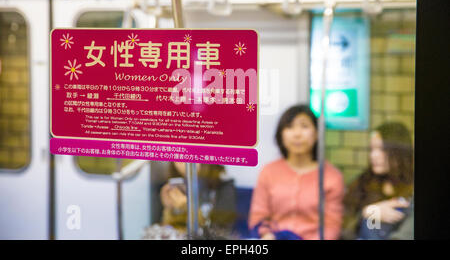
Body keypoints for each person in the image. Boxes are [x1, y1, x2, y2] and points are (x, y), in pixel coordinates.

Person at [248, 104, 345, 240]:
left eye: (304, 126)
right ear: (281, 134)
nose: (297, 134)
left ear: (316, 133)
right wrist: (267, 235)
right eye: (289, 127)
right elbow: (259, 216)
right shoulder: (268, 172)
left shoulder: (331, 176)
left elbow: (331, 225)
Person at [341, 122, 413, 240]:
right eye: (372, 149)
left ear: (399, 152)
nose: (374, 155)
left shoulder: (412, 189)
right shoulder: (363, 182)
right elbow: (344, 229)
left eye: (382, 149)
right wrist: (368, 212)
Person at [160, 162, 237, 238]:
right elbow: (168, 228)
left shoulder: (223, 186)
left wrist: (189, 208)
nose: (182, 163)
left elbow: (220, 230)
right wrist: (169, 209)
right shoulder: (174, 185)